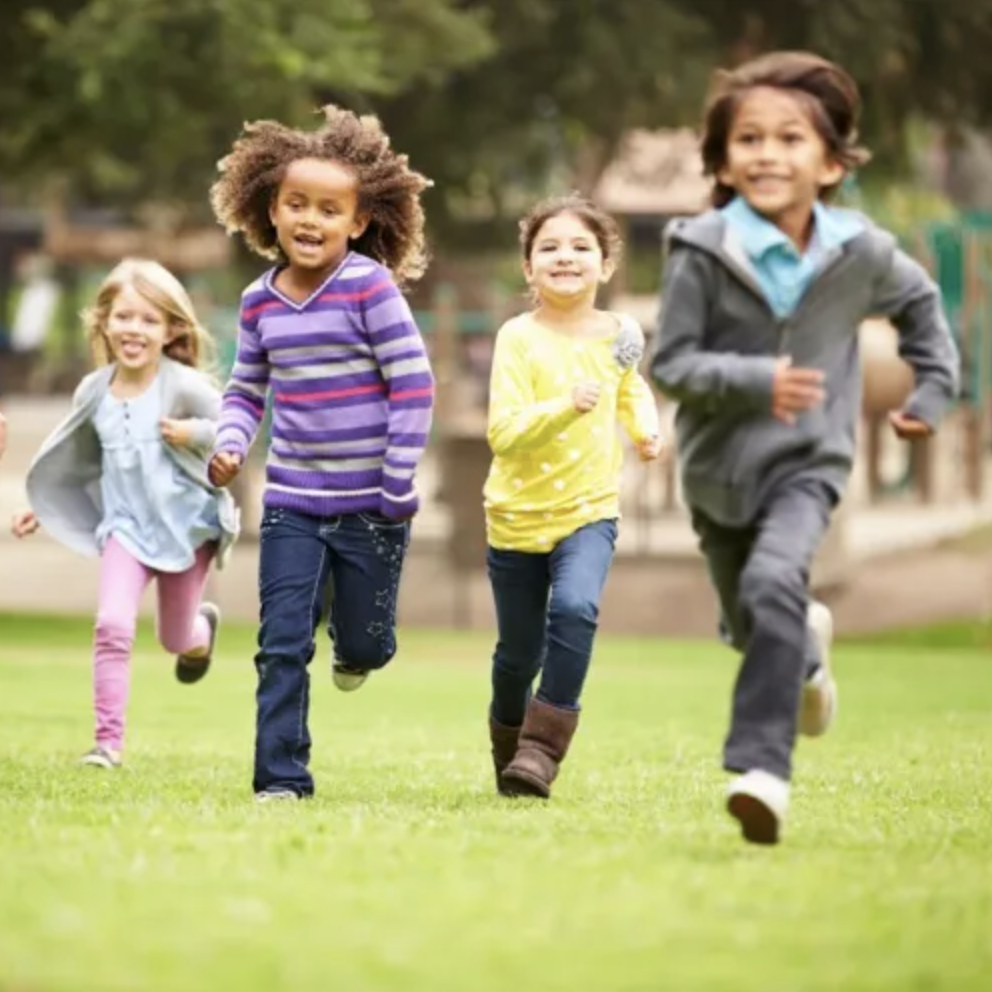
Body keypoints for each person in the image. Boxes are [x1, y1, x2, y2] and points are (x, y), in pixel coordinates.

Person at [650, 51, 959, 844]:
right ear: (722, 159)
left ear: (830, 163)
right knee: (750, 618)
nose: (767, 153)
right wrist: (756, 380)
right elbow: (672, 363)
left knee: (775, 578)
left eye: (790, 139)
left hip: (808, 463)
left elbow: (924, 312)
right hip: (717, 473)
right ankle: (807, 662)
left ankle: (763, 771)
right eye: (748, 138)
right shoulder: (700, 249)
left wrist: (929, 393)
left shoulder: (860, 254)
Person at [207, 104, 435, 802]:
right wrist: (229, 441)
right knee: (281, 643)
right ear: (268, 209)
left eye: (329, 209)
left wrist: (396, 479)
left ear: (358, 222)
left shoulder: (369, 287)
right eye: (296, 204)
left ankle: (355, 635)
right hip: (293, 504)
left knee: (366, 646)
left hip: (373, 503)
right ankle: (281, 778)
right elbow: (246, 390)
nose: (311, 220)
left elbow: (413, 383)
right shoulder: (258, 303)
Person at [12, 259, 238, 769]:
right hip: (125, 530)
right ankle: (107, 745)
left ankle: (199, 633)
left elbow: (233, 427)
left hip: (185, 530)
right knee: (112, 625)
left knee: (174, 638)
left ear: (171, 330)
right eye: (124, 317)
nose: (134, 329)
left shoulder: (181, 386)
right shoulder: (93, 392)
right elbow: (78, 460)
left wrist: (193, 434)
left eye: (149, 320)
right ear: (104, 322)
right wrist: (42, 507)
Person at [484, 193, 664, 799]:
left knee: (576, 610)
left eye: (582, 246)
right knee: (517, 656)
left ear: (606, 265)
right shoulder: (518, 338)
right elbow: (503, 433)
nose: (566, 256)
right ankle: (509, 745)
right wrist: (565, 408)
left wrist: (646, 429)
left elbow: (630, 388)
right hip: (515, 518)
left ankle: (541, 750)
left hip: (589, 509)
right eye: (550, 247)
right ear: (529, 268)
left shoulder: (623, 333)